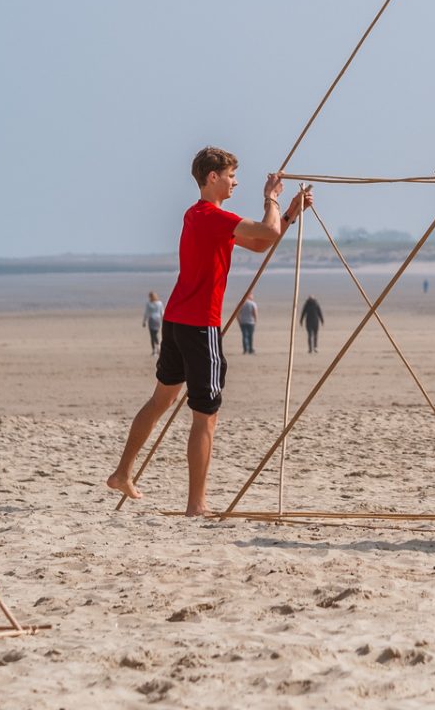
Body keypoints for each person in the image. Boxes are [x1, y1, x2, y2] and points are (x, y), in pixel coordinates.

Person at [106, 146, 310, 516]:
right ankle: (196, 505)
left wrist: (290, 214)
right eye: (231, 176)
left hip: (177, 321)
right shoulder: (213, 216)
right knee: (206, 415)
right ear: (212, 177)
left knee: (161, 401)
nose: (235, 182)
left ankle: (122, 473)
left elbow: (260, 244)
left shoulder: (198, 216)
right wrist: (271, 198)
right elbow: (266, 230)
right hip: (200, 326)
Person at [143, 290, 164, 355]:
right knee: (155, 334)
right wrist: (163, 321)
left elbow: (146, 313)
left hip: (152, 320)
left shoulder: (149, 303)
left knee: (152, 335)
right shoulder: (159, 303)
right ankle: (157, 348)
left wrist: (144, 321)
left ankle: (155, 349)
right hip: (157, 320)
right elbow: (162, 312)